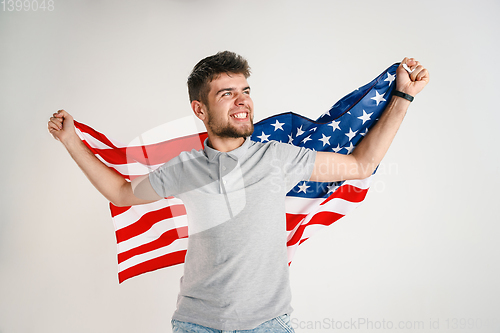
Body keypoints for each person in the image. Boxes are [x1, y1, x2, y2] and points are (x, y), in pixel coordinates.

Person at [48, 51, 429, 332]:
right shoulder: (186, 168)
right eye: (226, 93)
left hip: (268, 324)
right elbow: (121, 192)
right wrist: (70, 141)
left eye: (244, 90)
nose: (242, 99)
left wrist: (402, 98)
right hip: (197, 325)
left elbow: (361, 164)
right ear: (200, 109)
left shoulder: (279, 157)